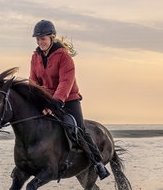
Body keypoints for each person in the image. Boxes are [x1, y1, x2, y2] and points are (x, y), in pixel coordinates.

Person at [29, 19, 110, 180]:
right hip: (47, 99)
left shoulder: (64, 57)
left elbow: (66, 82)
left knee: (79, 129)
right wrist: (39, 100)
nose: (40, 42)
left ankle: (98, 163)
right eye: (38, 39)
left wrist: (55, 103)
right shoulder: (35, 57)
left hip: (68, 99)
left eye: (43, 38)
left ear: (51, 37)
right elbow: (33, 80)